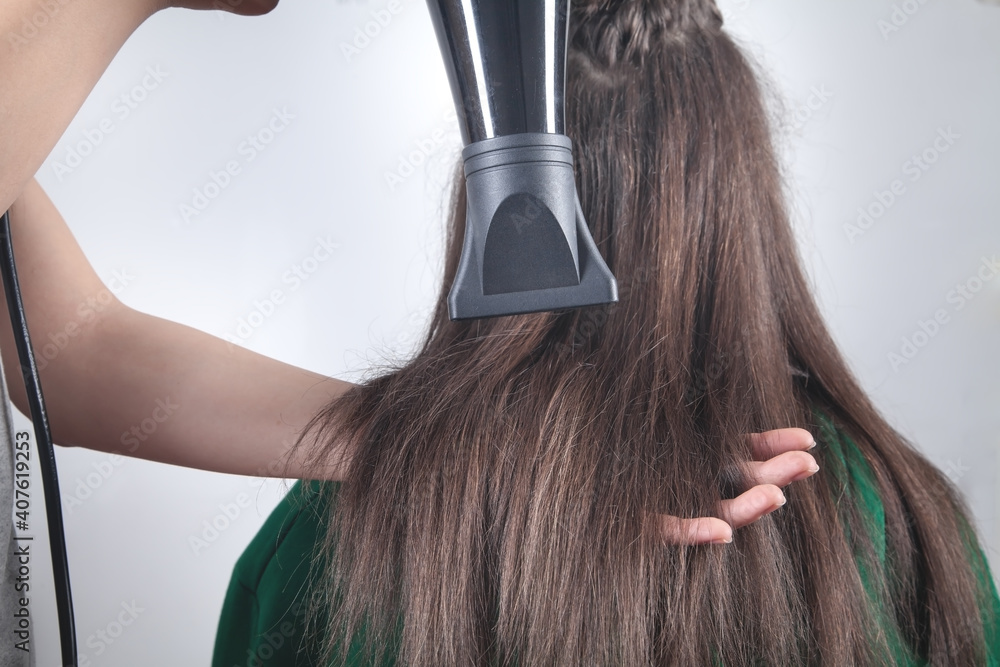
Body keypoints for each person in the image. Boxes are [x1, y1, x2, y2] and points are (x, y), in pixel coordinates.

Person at [0, 3, 994, 667]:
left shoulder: (331, 536)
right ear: (740, 195)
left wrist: (442, 451)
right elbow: (72, 349)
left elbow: (74, 346)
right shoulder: (906, 523)